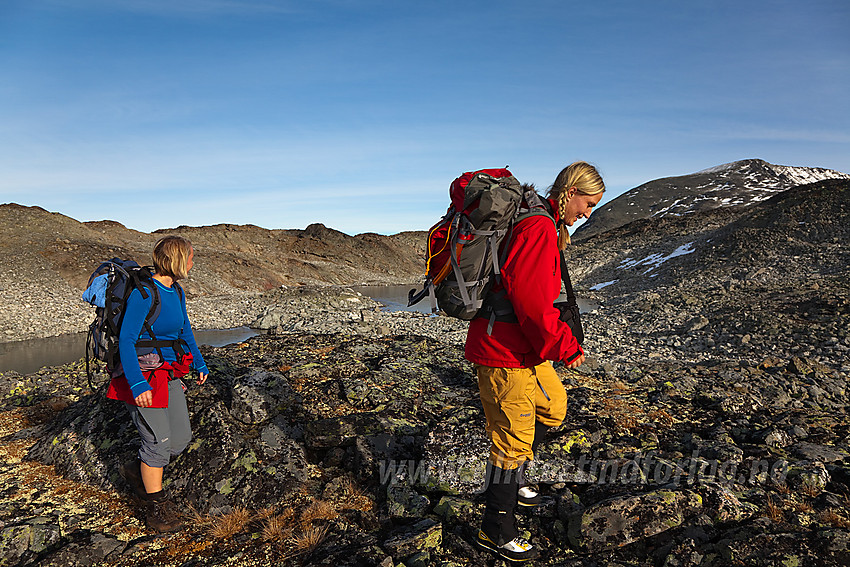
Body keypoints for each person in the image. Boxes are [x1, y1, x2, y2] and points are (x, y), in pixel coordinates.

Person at [465, 161, 604, 562]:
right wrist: (567, 347)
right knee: (511, 443)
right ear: (570, 191)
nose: (587, 213)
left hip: (525, 349)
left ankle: (517, 478)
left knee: (553, 407)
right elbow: (532, 306)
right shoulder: (538, 228)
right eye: (588, 203)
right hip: (503, 352)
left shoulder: (542, 222)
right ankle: (496, 530)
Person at [110, 235, 209, 532]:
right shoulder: (144, 293)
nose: (192, 262)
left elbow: (185, 330)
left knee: (179, 441)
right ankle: (156, 509)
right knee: (157, 442)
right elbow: (126, 340)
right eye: (190, 257)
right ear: (178, 259)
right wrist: (138, 384)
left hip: (169, 373)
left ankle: (136, 470)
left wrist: (200, 362)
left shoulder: (176, 291)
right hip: (143, 374)